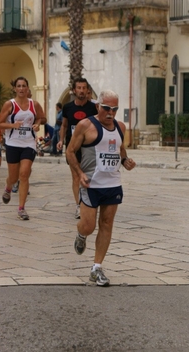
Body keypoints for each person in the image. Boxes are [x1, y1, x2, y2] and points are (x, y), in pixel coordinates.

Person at [66, 89, 136, 286]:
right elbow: (70, 152)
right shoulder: (85, 125)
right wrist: (79, 174)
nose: (111, 113)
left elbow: (120, 149)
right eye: (107, 108)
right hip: (91, 184)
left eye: (114, 109)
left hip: (113, 184)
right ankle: (81, 235)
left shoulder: (120, 127)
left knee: (106, 224)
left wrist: (125, 161)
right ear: (98, 106)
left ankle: (97, 268)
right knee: (88, 226)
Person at [0, 76, 46, 220]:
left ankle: (21, 209)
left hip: (28, 143)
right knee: (13, 177)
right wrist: (13, 125)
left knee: (24, 174)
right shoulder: (9, 104)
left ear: (27, 88)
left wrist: (38, 123)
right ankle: (8, 187)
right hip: (13, 143)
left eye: (24, 86)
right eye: (18, 86)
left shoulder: (34, 104)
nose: (21, 89)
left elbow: (43, 118)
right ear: (15, 88)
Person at [57, 77, 97, 219]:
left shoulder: (93, 108)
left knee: (89, 175)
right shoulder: (67, 107)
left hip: (88, 148)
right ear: (74, 90)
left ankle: (89, 202)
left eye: (83, 88)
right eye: (78, 88)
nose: (81, 91)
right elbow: (64, 125)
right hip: (72, 147)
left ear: (87, 90)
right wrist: (61, 140)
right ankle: (79, 205)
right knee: (75, 176)